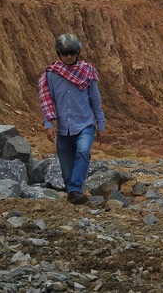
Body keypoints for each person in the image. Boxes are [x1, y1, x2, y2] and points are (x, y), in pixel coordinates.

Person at [38, 34, 107, 205]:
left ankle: (76, 188)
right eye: (65, 53)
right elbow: (46, 102)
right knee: (66, 167)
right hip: (63, 129)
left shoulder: (87, 72)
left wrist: (101, 125)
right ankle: (73, 194)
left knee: (83, 151)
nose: (69, 56)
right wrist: (48, 124)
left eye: (72, 53)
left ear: (78, 52)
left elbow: (95, 101)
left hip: (85, 125)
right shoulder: (50, 75)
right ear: (59, 53)